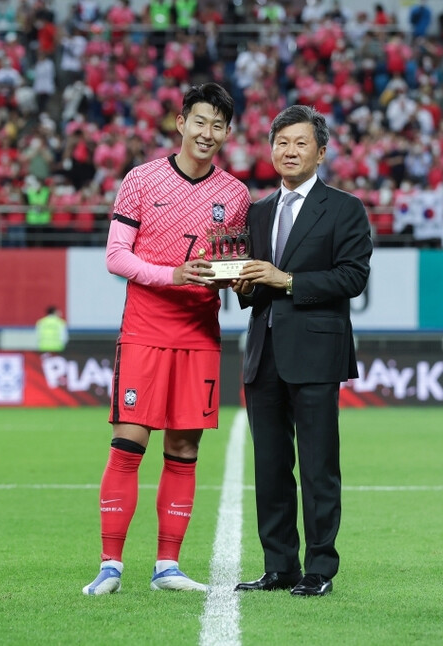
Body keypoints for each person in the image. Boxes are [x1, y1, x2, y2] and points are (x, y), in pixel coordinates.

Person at [82, 83, 250, 596]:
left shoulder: (236, 196)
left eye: (218, 125)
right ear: (181, 123)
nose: (207, 133)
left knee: (183, 449)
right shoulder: (141, 179)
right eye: (199, 121)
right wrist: (171, 275)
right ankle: (110, 565)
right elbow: (116, 256)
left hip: (199, 334)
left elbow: (229, 262)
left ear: (226, 133)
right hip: (144, 331)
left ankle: (167, 566)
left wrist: (233, 277)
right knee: (127, 445)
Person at [231, 105, 372, 597]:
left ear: (321, 152)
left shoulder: (345, 208)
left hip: (315, 353)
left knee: (317, 466)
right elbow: (251, 288)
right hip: (263, 351)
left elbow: (353, 277)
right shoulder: (258, 210)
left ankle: (320, 569)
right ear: (270, 149)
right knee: (270, 467)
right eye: (281, 143)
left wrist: (287, 280)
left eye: (300, 143)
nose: (289, 151)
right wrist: (237, 282)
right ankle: (279, 566)